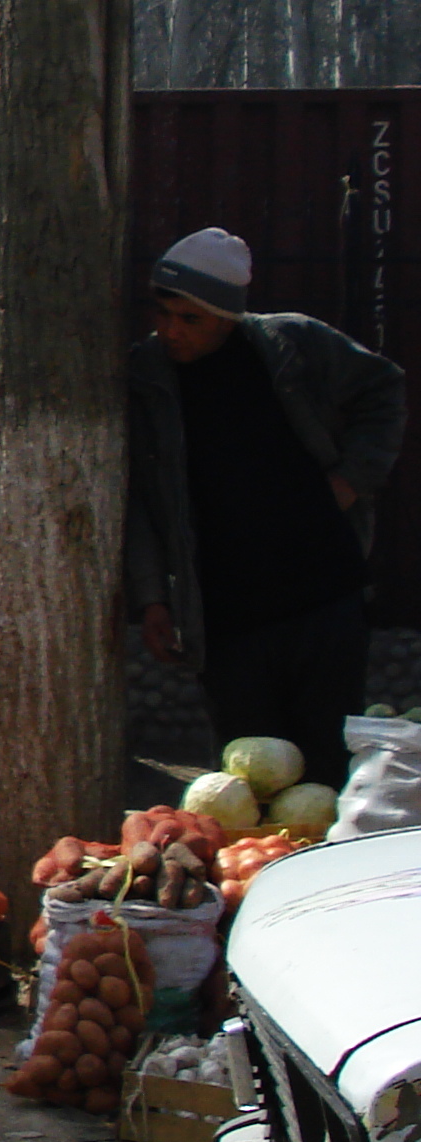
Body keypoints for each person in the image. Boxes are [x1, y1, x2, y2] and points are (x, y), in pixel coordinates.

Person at [126, 227, 404, 787]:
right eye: (163, 312)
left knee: (326, 765)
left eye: (190, 319)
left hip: (323, 598)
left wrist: (351, 479)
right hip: (226, 616)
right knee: (246, 776)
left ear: (226, 318)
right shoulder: (148, 377)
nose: (171, 329)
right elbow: (141, 498)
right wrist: (153, 598)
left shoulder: (292, 346)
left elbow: (384, 389)